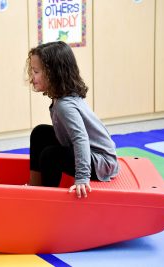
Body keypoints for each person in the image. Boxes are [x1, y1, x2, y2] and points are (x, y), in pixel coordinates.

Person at [26, 41, 119, 198]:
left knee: (50, 155)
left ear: (53, 74)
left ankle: (47, 197)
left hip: (100, 162)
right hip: (90, 152)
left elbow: (80, 138)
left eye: (36, 72)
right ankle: (35, 186)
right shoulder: (60, 97)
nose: (31, 77)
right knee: (40, 133)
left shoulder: (65, 105)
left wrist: (82, 178)